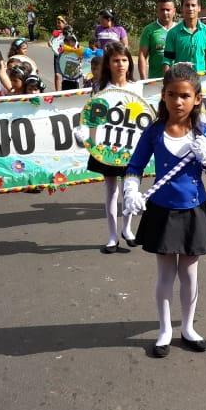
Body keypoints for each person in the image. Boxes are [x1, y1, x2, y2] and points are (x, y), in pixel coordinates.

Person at [122, 63, 206, 358]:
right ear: (163, 96)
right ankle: (165, 329)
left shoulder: (203, 133)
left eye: (184, 96)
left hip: (193, 210)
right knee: (165, 275)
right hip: (162, 211)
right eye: (171, 95)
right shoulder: (154, 132)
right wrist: (131, 191)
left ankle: (188, 327)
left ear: (196, 99)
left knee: (189, 273)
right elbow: (135, 166)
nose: (178, 101)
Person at [86, 41, 142, 253]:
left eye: (124, 60)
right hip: (107, 147)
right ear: (108, 64)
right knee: (111, 191)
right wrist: (92, 145)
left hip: (132, 148)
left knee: (130, 190)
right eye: (116, 60)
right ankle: (112, 236)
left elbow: (142, 120)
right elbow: (93, 119)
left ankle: (127, 229)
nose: (120, 64)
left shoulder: (137, 87)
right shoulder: (100, 89)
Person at [163, 0, 206, 73]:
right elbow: (167, 61)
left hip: (201, 81)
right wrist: (166, 83)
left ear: (199, 8)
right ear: (182, 9)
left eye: (193, 5)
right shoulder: (173, 33)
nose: (190, 8)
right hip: (181, 81)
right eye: (187, 5)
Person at [138, 0, 177, 79]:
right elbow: (142, 55)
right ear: (157, 11)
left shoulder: (180, 30)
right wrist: (144, 80)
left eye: (168, 10)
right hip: (155, 81)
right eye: (162, 9)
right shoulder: (148, 30)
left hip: (178, 80)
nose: (165, 12)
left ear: (174, 11)